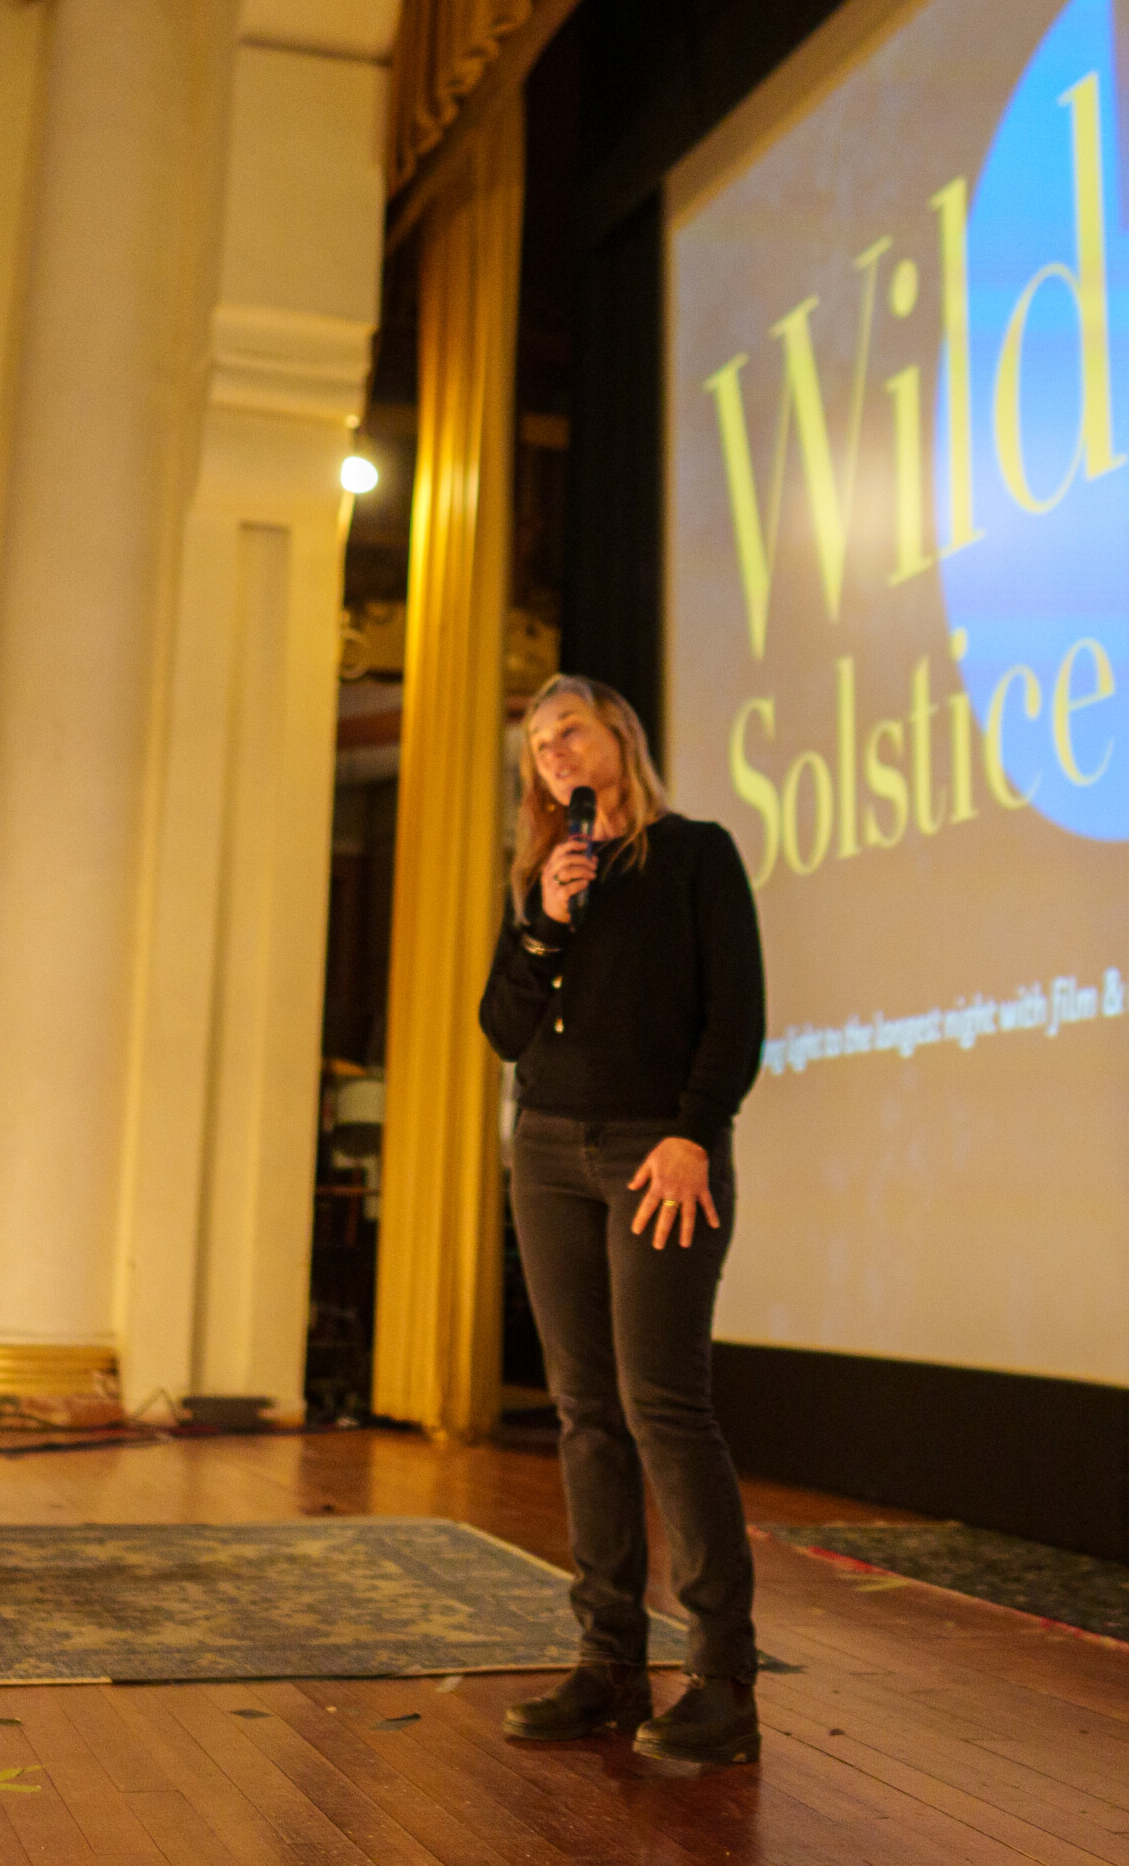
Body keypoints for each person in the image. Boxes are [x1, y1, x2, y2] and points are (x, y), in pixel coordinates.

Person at [476, 674, 767, 1768]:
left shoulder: (693, 856)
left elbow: (736, 1015)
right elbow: (503, 1027)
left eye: (569, 732)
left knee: (662, 1407)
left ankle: (722, 1682)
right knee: (583, 1412)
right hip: (548, 1153)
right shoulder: (542, 880)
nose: (552, 754)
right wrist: (545, 922)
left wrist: (695, 1133)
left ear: (620, 738)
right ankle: (608, 1664)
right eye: (537, 746)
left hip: (659, 1153)